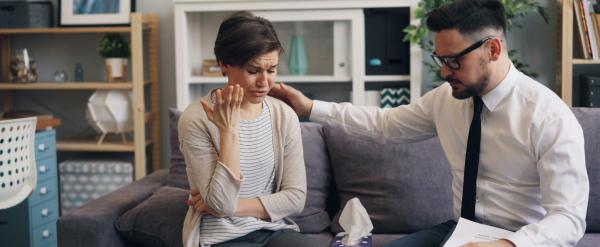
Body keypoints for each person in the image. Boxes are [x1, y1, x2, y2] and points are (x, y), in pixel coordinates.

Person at [269, 0, 589, 246]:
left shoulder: (549, 118)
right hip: (457, 231)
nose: (444, 72)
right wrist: (310, 107)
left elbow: (569, 219)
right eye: (440, 59)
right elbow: (384, 124)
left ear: (493, 49)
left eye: (454, 60)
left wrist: (507, 242)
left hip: (519, 240)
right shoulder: (445, 100)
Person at [178, 11, 318, 247]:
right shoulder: (196, 118)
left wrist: (233, 208)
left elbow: (295, 198)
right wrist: (229, 131)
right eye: (253, 71)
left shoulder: (283, 115)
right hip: (221, 237)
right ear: (224, 65)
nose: (264, 82)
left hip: (274, 231)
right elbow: (219, 203)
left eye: (272, 69)